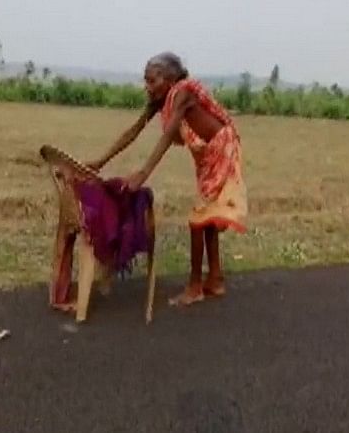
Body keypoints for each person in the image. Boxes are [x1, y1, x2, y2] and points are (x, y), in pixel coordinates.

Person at [87, 52, 247, 306]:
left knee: (199, 220)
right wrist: (101, 160)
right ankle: (215, 280)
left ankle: (195, 287)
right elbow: (133, 131)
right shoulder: (161, 100)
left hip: (221, 151)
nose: (147, 87)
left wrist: (143, 173)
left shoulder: (183, 92)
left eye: (152, 81)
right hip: (208, 155)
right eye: (145, 80)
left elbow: (168, 135)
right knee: (208, 218)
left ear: (170, 79)